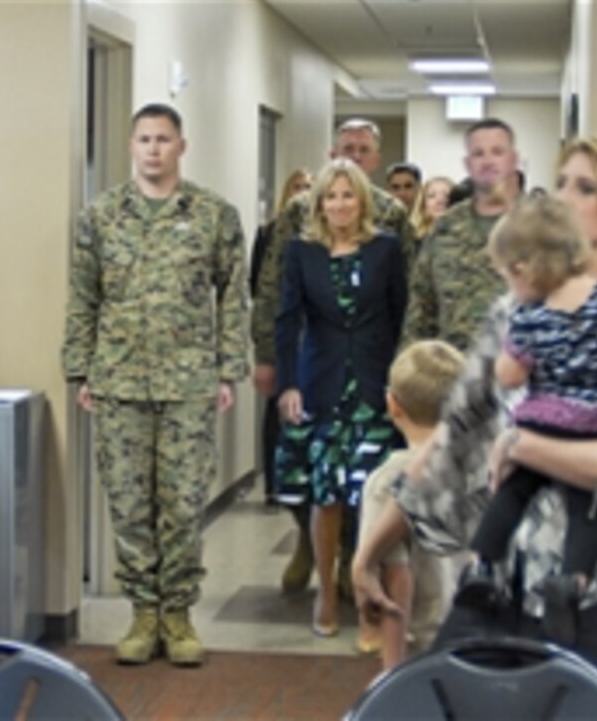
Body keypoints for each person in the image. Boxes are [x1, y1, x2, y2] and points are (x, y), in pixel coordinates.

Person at [353, 133, 597, 698]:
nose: (565, 199)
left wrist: (526, 446)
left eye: (586, 187)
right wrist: (369, 553)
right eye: (560, 184)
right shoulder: (520, 309)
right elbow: (451, 440)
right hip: (504, 583)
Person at [61, 103, 248, 667]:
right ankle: (143, 612)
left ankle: (179, 613)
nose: (153, 149)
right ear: (130, 144)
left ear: (180, 147)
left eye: (163, 139)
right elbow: (83, 297)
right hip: (118, 379)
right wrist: (81, 369)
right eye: (143, 139)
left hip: (189, 380)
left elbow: (233, 297)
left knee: (183, 502)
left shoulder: (214, 215)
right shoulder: (101, 215)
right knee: (128, 502)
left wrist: (226, 369)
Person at [455, 196, 597, 646]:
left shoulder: (529, 314)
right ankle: (573, 582)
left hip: (541, 424)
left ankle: (481, 564)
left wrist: (507, 362)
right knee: (588, 509)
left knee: (511, 491)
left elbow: (510, 373)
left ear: (523, 268)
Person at [253, 118, 415, 596]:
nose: (354, 155)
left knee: (368, 472)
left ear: (375, 158)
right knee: (311, 468)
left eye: (363, 149)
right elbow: (273, 291)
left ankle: (353, 561)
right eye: (347, 147)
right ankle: (310, 545)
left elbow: (405, 301)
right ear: (331, 152)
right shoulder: (299, 217)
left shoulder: (391, 218)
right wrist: (271, 360)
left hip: (370, 368)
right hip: (315, 365)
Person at [354, 340, 463, 668]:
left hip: (425, 652)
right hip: (483, 641)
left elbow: (395, 583)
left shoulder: (387, 483)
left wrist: (391, 674)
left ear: (392, 404)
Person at [402, 118, 519, 353]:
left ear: (513, 159)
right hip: (455, 374)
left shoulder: (544, 226)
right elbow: (421, 310)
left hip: (524, 378)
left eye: (497, 152)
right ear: (467, 163)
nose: (488, 161)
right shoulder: (445, 228)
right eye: (478, 153)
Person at [250, 167, 312, 506]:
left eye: (309, 188)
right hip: (285, 340)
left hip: (317, 345)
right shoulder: (271, 234)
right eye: (298, 187)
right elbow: (262, 286)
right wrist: (265, 350)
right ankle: (277, 485)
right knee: (278, 412)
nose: (303, 194)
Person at [409, 176, 455, 244]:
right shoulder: (411, 242)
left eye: (447, 196)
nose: (440, 200)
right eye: (432, 196)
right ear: (422, 205)